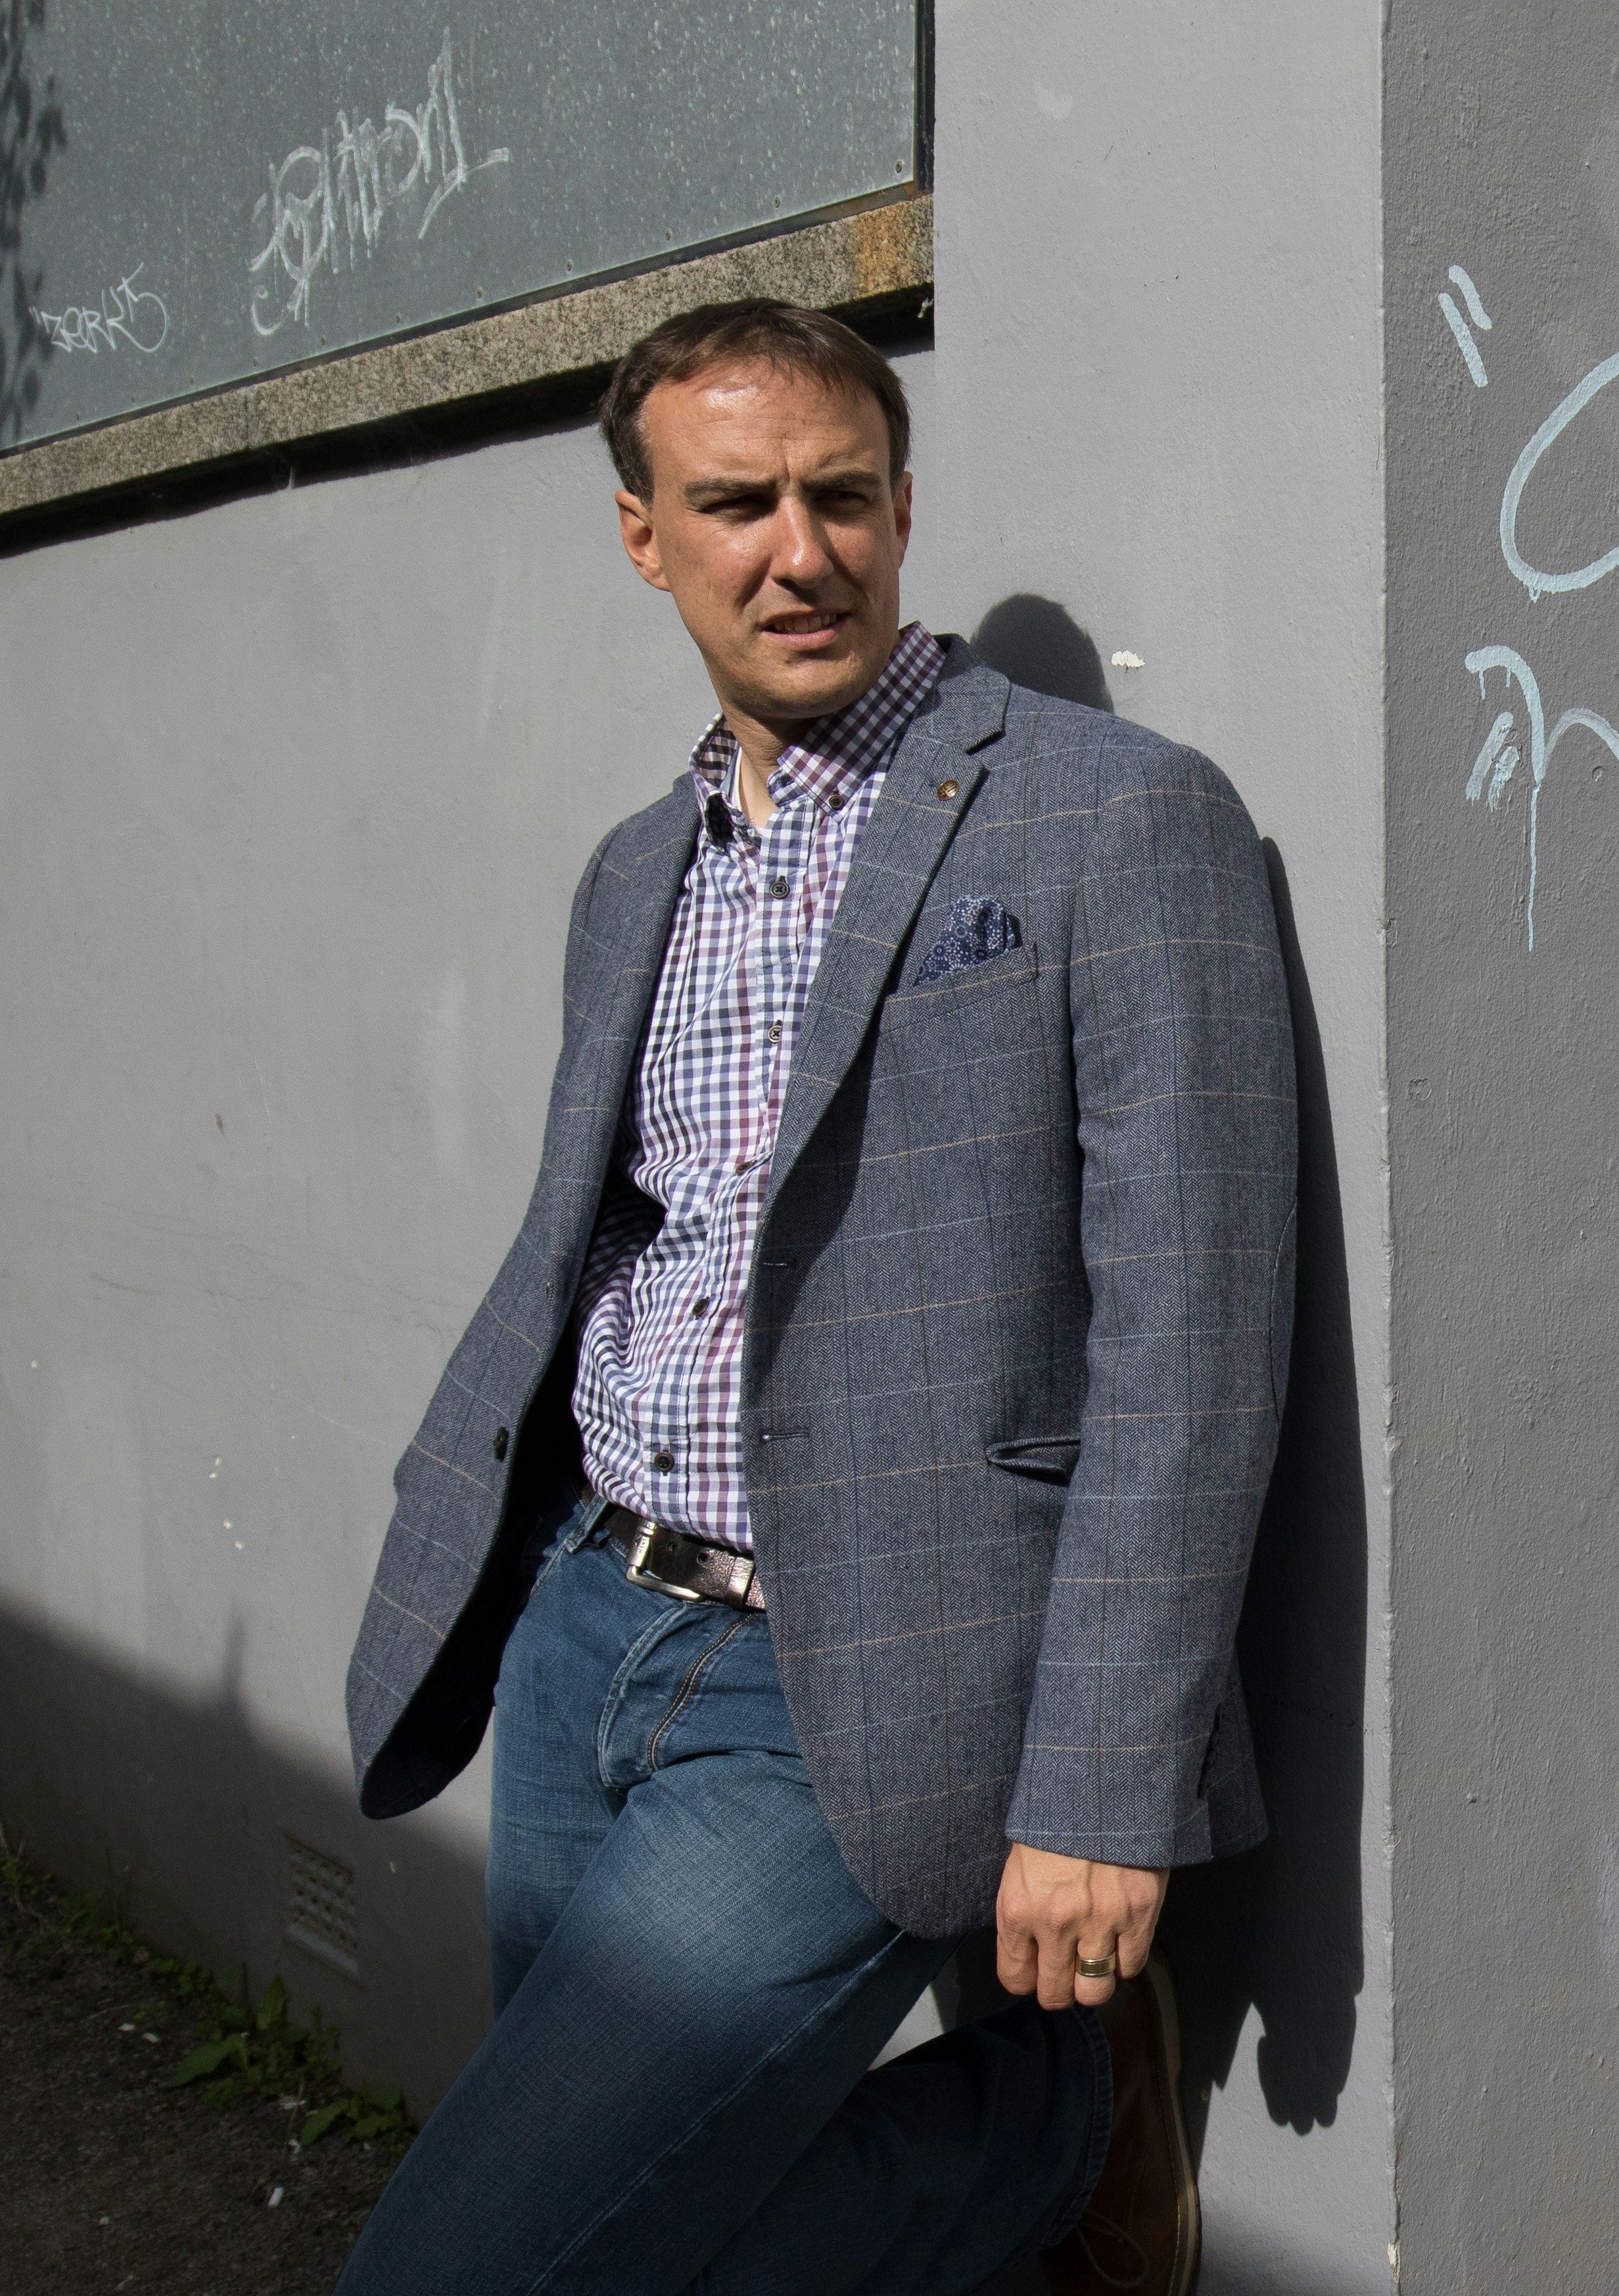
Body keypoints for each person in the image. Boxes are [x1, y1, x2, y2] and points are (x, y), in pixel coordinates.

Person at [330, 298, 1298, 2295]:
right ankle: (1030, 2136)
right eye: (738, 502)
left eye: (841, 496)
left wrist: (1104, 1794)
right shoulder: (633, 870)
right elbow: (614, 1239)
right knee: (646, 2234)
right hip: (583, 1626)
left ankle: (1045, 2125)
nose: (800, 549)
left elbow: (1192, 1348)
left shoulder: (1115, 815)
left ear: (902, 505)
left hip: (849, 1681)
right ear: (642, 535)